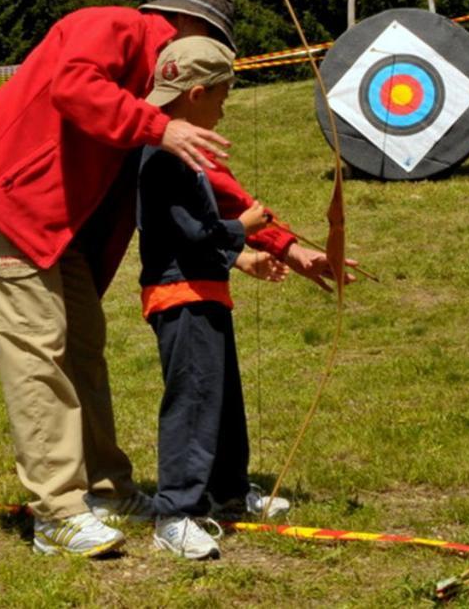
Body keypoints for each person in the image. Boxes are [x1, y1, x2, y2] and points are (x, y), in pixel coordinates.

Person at [0, 0, 238, 557]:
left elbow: (197, 171)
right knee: (37, 346)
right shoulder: (111, 25)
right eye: (214, 46)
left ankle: (105, 488)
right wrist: (158, 125)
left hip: (53, 220)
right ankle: (57, 512)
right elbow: (74, 87)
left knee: (83, 343)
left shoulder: (156, 88)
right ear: (186, 28)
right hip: (6, 195)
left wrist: (273, 239)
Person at [135, 36, 356, 560]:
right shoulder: (161, 157)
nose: (225, 107)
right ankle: (176, 512)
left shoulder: (187, 150)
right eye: (223, 96)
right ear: (196, 94)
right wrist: (243, 230)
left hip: (205, 291)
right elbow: (191, 232)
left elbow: (207, 226)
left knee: (222, 400)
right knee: (192, 401)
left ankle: (229, 494)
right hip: (178, 296)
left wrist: (257, 254)